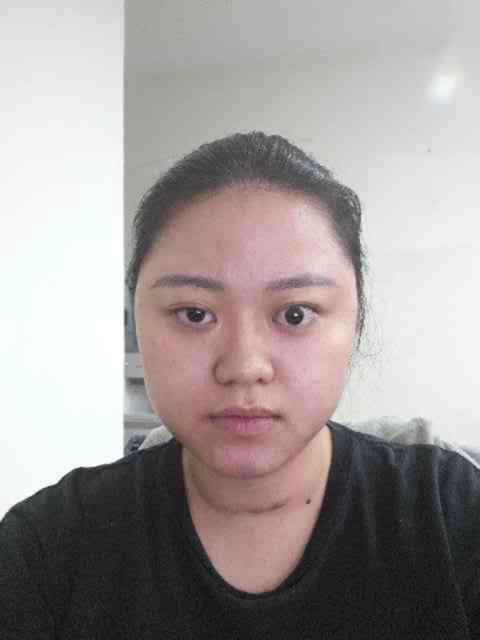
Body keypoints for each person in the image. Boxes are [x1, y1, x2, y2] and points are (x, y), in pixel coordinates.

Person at [1, 132, 479, 638]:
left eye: (295, 314)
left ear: (355, 325)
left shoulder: (453, 518)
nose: (244, 366)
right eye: (194, 313)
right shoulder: (47, 547)